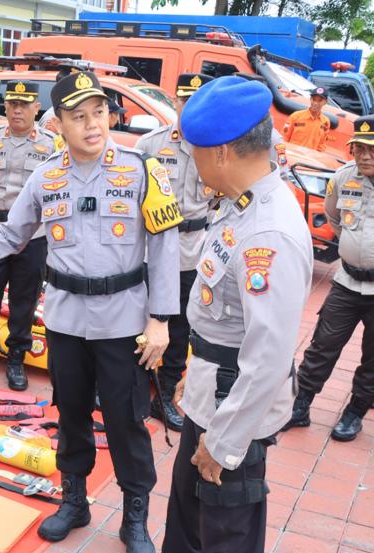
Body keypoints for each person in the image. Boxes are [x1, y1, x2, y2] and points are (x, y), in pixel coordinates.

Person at [0, 70, 182, 553]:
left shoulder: (143, 168)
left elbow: (165, 246)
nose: (92, 125)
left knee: (126, 421)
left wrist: (161, 319)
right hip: (65, 320)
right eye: (78, 117)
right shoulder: (47, 177)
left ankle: (134, 516)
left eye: (98, 113)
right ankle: (74, 501)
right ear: (57, 123)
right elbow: (10, 237)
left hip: (124, 320)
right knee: (72, 412)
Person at [115, 74, 313, 553]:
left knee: (229, 516)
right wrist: (192, 374)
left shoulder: (271, 231)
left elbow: (267, 353)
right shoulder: (240, 204)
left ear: (223, 151)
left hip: (240, 397)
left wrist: (225, 443)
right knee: (187, 497)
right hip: (212, 378)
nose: (190, 162)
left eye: (196, 151)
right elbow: (220, 312)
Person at [284, 113, 374, 441]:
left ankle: (354, 412)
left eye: (372, 148)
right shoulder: (343, 177)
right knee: (322, 345)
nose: (362, 155)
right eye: (357, 147)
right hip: (348, 282)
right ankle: (301, 405)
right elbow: (335, 219)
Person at [0, 80, 57, 391]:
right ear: (5, 107)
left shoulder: (52, 145)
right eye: (12, 104)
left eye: (24, 104)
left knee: (24, 300)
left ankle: (16, 358)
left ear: (36, 108)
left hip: (34, 234)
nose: (17, 110)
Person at [134, 73, 214, 431]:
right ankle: (131, 389)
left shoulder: (216, 147)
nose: (189, 108)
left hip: (191, 252)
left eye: (196, 101)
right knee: (138, 321)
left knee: (180, 328)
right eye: (184, 100)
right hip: (151, 250)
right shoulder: (150, 145)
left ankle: (164, 395)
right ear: (176, 103)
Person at [282, 86, 331, 152]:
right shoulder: (296, 116)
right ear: (310, 99)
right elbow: (284, 137)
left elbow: (321, 145)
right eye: (314, 99)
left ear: (325, 102)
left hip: (309, 160)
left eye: (320, 101)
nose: (316, 103)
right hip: (293, 156)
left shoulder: (325, 122)